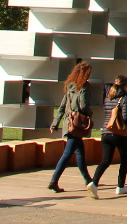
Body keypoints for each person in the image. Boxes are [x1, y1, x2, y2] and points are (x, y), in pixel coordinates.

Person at [48, 61, 94, 196]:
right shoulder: (84, 86)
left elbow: (62, 106)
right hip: (77, 125)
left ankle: (88, 180)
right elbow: (84, 106)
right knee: (68, 154)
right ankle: (54, 180)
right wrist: (90, 115)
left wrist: (54, 124)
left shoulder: (70, 86)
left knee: (80, 152)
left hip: (69, 124)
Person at [91, 74, 127, 197]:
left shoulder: (108, 96)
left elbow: (107, 114)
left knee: (105, 160)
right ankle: (120, 186)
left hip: (106, 132)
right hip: (119, 134)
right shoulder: (125, 98)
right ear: (125, 85)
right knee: (124, 160)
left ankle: (94, 183)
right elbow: (125, 117)